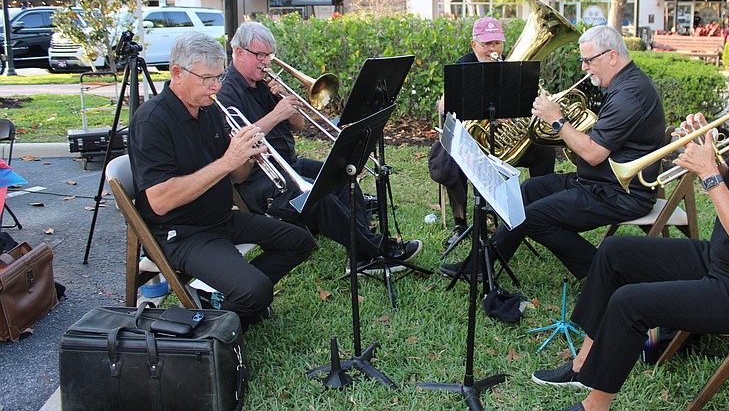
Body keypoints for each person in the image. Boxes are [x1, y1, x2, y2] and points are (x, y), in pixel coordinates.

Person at [534, 22, 729, 411]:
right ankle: (584, 363)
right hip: (722, 259)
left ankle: (594, 406)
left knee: (631, 303)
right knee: (614, 252)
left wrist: (710, 175)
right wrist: (710, 152)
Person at [440, 25, 666, 281]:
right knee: (527, 191)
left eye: (588, 61)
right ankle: (484, 266)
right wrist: (563, 122)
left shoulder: (630, 95)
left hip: (618, 194)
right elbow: (599, 139)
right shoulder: (623, 85)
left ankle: (604, 275)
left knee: (534, 219)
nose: (584, 68)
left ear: (612, 56)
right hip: (598, 181)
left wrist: (557, 120)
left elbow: (593, 154)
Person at [128, 31, 315, 328]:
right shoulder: (152, 121)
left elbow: (234, 175)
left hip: (220, 218)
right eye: (207, 79)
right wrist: (228, 160)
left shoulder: (209, 109)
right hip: (182, 232)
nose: (215, 87)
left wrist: (245, 158)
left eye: (219, 78)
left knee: (300, 241)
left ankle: (224, 300)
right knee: (257, 290)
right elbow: (161, 201)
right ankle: (224, 316)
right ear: (177, 73)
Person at [216, 21, 422, 274]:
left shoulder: (264, 82)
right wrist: (276, 115)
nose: (266, 62)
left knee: (345, 172)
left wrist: (285, 102)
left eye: (269, 55)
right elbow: (238, 143)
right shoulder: (226, 92)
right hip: (262, 179)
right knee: (319, 197)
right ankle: (374, 251)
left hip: (289, 163)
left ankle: (359, 255)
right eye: (259, 55)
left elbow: (299, 126)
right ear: (238, 52)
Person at [429, 16, 556, 248]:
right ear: (474, 44)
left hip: (503, 142)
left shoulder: (514, 66)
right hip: (473, 140)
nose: (492, 49)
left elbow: (529, 104)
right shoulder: (463, 65)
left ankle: (538, 212)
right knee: (449, 158)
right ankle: (460, 222)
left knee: (544, 149)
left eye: (496, 43)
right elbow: (443, 105)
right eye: (486, 43)